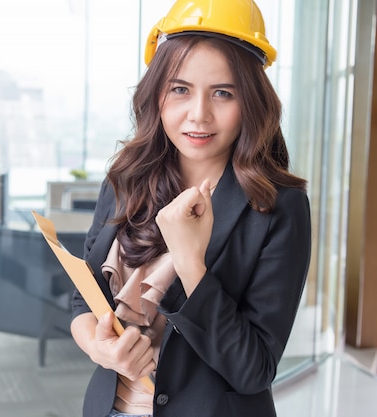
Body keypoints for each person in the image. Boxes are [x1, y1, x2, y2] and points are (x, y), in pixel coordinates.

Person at [69, 0, 312, 416]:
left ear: (250, 101)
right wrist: (99, 345)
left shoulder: (279, 207)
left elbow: (254, 369)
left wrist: (190, 263)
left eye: (223, 93)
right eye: (180, 89)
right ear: (157, 92)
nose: (199, 114)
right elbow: (82, 297)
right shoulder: (126, 178)